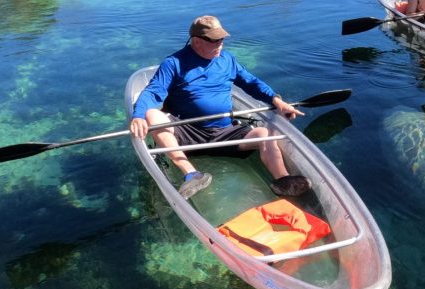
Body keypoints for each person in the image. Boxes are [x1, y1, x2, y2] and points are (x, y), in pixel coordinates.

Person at [129, 16, 312, 200]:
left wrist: (276, 101)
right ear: (197, 41)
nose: (220, 43)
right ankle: (192, 175)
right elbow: (152, 93)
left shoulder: (227, 60)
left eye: (222, 38)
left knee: (264, 134)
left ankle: (283, 180)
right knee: (152, 114)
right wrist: (138, 116)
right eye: (214, 40)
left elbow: (251, 82)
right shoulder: (174, 63)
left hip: (225, 132)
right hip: (187, 131)